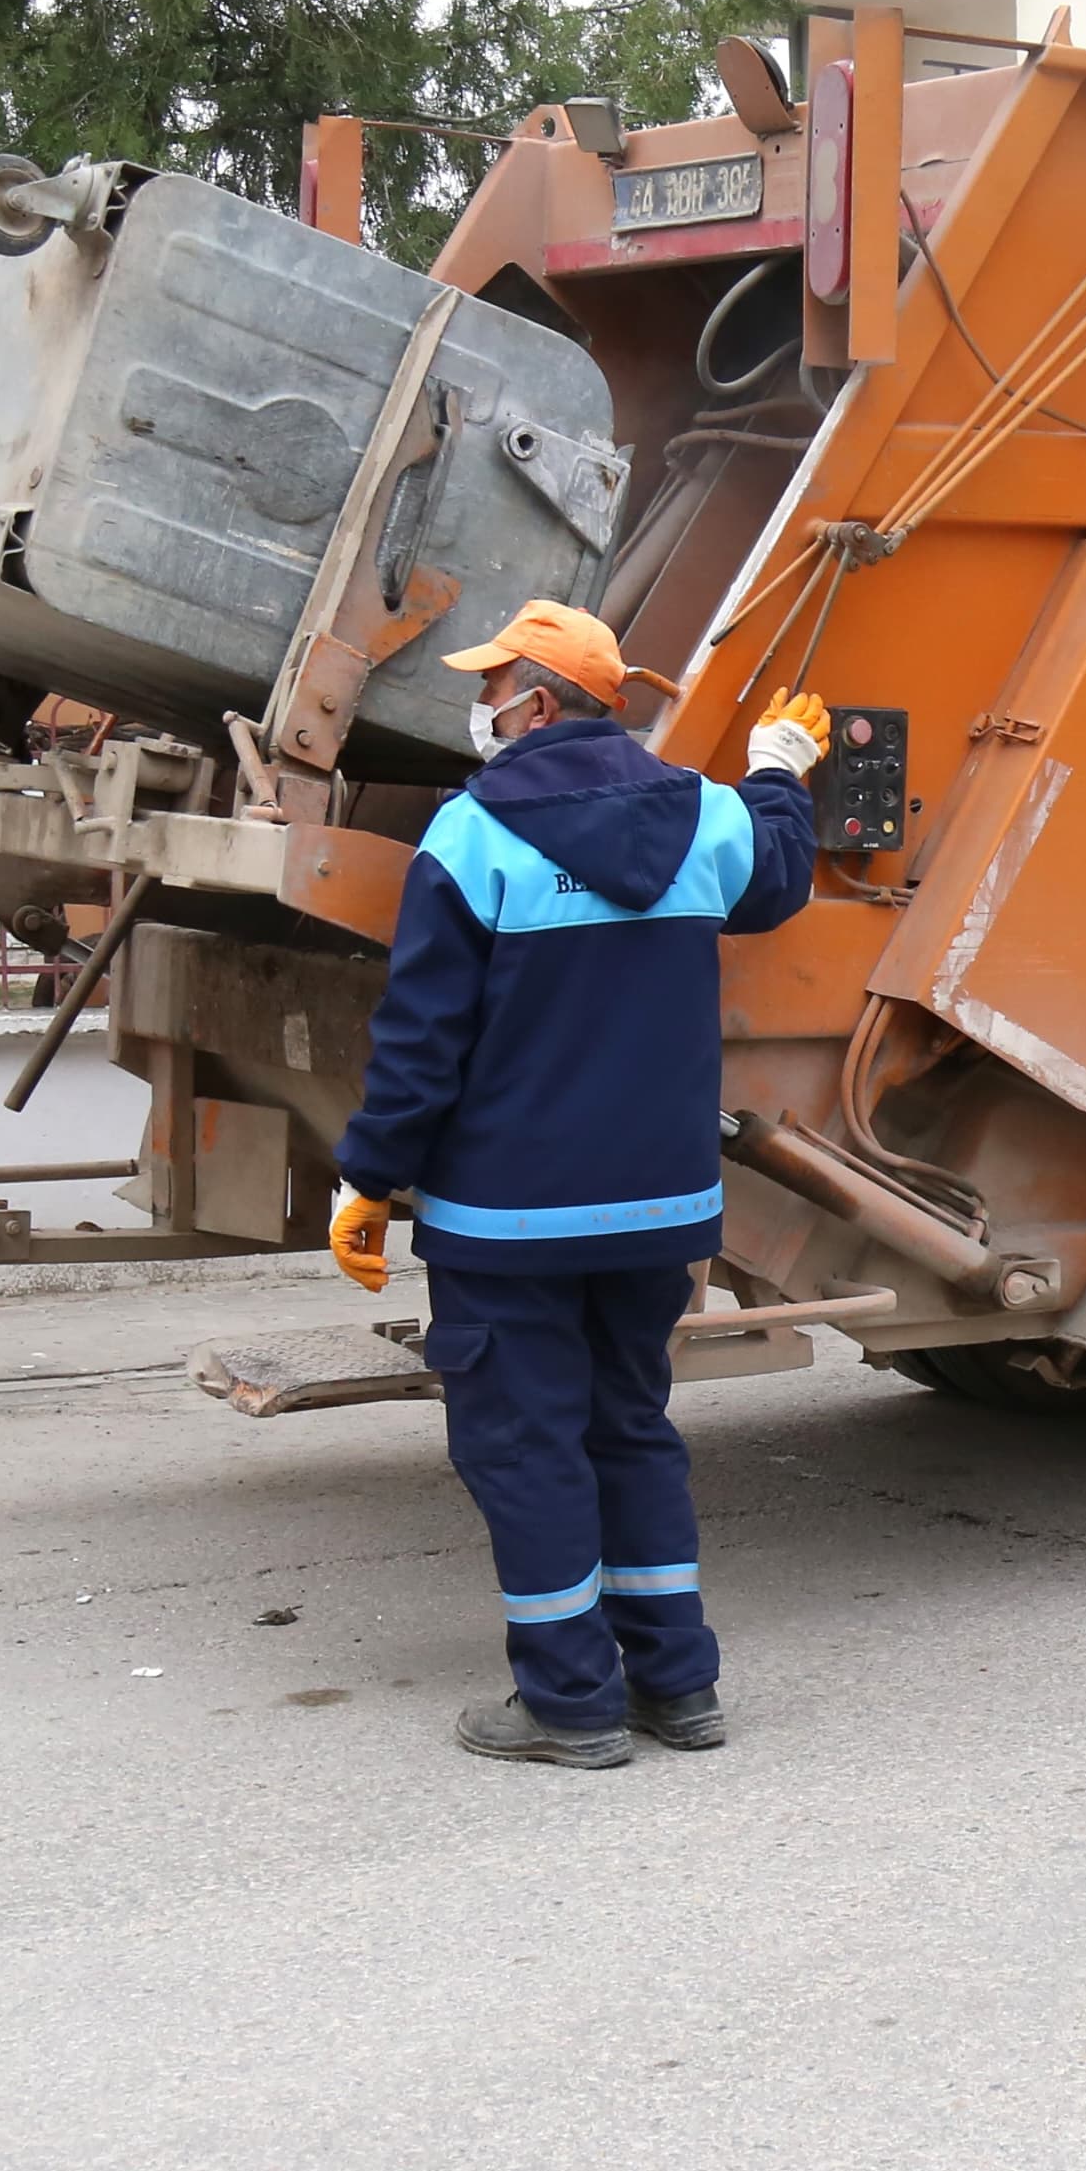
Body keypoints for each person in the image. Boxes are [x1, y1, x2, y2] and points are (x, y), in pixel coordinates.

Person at [328, 600, 825, 1769]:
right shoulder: (703, 815)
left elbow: (421, 1037)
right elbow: (778, 878)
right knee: (630, 1426)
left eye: (493, 685)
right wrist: (776, 771)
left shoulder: (470, 833)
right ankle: (677, 1683)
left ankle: (569, 1704)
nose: (482, 708)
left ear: (536, 705)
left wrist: (368, 1175)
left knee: (525, 1444)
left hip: (510, 1218)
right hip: (657, 1209)